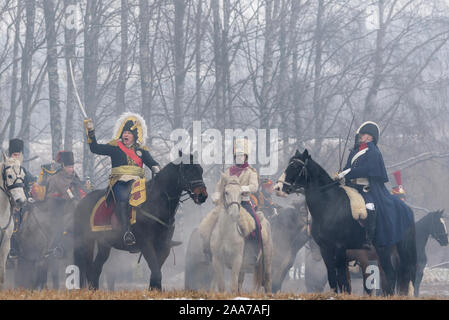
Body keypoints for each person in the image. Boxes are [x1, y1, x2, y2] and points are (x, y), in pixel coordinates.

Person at [84, 113, 161, 246]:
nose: (126, 135)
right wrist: (91, 132)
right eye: (124, 132)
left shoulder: (142, 151)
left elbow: (152, 163)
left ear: (134, 136)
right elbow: (94, 148)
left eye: (129, 133)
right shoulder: (115, 147)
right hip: (120, 182)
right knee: (123, 199)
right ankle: (127, 232)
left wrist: (156, 168)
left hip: (138, 183)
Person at [337, 121, 414, 249]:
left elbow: (368, 169)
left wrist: (350, 172)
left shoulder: (373, 152)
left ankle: (368, 238)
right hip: (351, 187)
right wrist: (341, 174)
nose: (360, 137)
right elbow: (347, 167)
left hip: (365, 189)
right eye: (360, 135)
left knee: (370, 206)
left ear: (370, 137)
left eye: (363, 134)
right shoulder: (354, 151)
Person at [201, 137, 260, 258]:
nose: (239, 158)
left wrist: (243, 189)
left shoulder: (251, 172)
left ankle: (253, 252)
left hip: (243, 203)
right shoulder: (228, 171)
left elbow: (254, 187)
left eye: (241, 155)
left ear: (245, 157)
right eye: (237, 156)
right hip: (227, 203)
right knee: (209, 223)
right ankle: (208, 249)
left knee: (256, 224)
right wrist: (217, 195)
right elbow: (219, 186)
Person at [7, 138, 36, 259]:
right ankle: (12, 248)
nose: (16, 157)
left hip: (23, 203)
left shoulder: (23, 171)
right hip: (8, 203)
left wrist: (31, 192)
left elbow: (31, 183)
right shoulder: (5, 170)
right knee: (14, 219)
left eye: (18, 155)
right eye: (14, 155)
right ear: (10, 155)